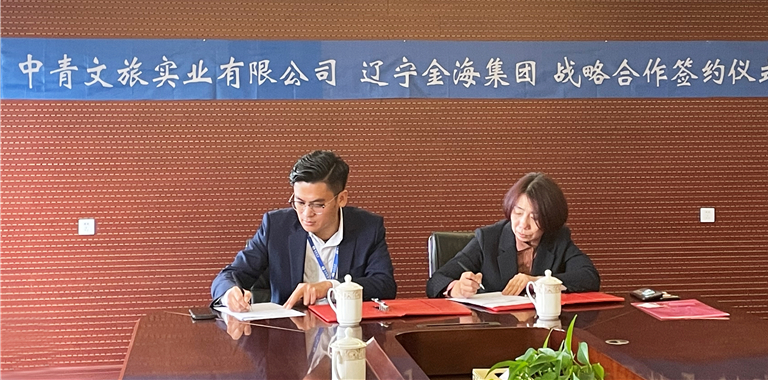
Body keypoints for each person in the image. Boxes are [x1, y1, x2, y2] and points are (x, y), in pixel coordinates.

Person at [211, 150, 397, 310]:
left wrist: (330, 287)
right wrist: (229, 294)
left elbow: (385, 285)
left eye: (318, 205)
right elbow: (228, 275)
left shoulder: (368, 228)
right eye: (299, 202)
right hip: (291, 331)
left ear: (341, 199)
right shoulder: (276, 226)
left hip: (348, 330)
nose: (307, 214)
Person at [426, 172, 599, 299]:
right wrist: (456, 288)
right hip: (496, 328)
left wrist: (537, 282)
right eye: (518, 213)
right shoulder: (488, 239)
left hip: (544, 327)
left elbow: (589, 277)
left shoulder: (558, 239)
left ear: (551, 219)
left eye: (535, 217)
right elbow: (436, 281)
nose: (523, 224)